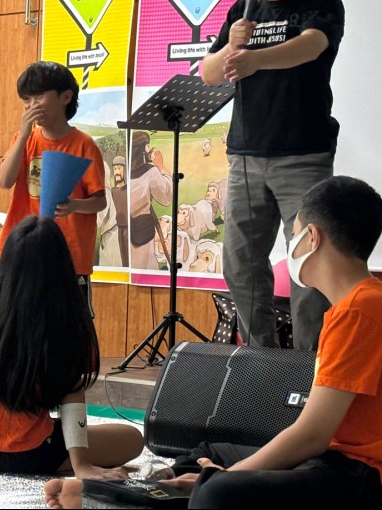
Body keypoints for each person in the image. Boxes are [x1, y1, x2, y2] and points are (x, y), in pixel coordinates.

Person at [45, 175, 382, 508]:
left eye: (293, 235)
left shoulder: (358, 311)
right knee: (207, 454)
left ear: (312, 237)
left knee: (219, 491)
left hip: (360, 474)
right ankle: (158, 492)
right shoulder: (355, 305)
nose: (292, 246)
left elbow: (312, 435)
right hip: (332, 458)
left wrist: (228, 476)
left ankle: (127, 498)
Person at [200, 0, 346, 350]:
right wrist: (232, 45)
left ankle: (309, 365)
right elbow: (210, 73)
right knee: (240, 263)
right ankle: (260, 359)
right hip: (245, 155)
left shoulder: (322, 3)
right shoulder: (241, 11)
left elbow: (311, 46)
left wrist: (255, 59)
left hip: (302, 155)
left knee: (307, 265)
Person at [0, 216, 143, 476]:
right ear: (61, 265)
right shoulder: (65, 320)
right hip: (26, 454)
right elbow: (72, 395)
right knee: (132, 439)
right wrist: (81, 465)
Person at [0, 61, 106, 307]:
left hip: (68, 254)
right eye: (26, 100)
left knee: (66, 320)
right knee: (19, 317)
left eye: (39, 97)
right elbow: (4, 181)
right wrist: (23, 136)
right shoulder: (24, 139)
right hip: (24, 248)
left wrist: (74, 205)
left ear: (65, 97)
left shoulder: (84, 144)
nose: (31, 106)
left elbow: (100, 202)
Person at [129, 131, 172, 270]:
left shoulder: (124, 173)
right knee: (146, 267)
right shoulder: (151, 172)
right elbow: (166, 198)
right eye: (147, 146)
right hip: (142, 232)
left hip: (125, 230)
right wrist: (161, 166)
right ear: (143, 149)